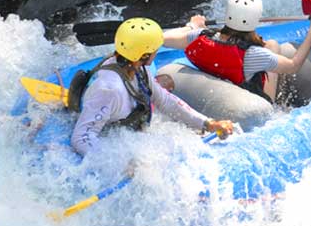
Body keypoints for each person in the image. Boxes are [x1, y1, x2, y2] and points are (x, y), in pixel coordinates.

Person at [70, 18, 235, 157]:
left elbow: (165, 101)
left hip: (127, 127)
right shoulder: (109, 90)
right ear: (144, 55)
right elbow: (81, 139)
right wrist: (119, 163)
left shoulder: (139, 68)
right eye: (155, 48)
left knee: (166, 84)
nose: (158, 50)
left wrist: (208, 124)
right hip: (109, 136)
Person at [162, 0, 311, 103]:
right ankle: (275, 104)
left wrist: (191, 26)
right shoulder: (254, 55)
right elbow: (293, 66)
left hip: (218, 88)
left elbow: (163, 38)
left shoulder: (199, 36)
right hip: (247, 100)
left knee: (270, 44)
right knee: (272, 46)